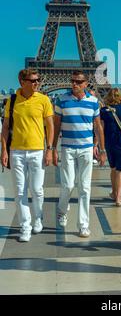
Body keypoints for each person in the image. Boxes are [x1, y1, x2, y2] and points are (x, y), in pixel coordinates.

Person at [0, 69, 54, 242]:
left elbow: (50, 126)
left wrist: (50, 149)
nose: (36, 83)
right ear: (22, 81)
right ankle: (25, 225)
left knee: (37, 190)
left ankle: (38, 217)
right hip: (17, 151)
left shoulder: (44, 99)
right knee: (19, 191)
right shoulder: (12, 100)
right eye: (33, 81)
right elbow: (6, 126)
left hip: (37, 150)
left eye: (38, 80)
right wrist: (4, 150)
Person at [53, 71, 106, 238]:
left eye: (78, 81)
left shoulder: (93, 102)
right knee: (67, 185)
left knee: (84, 188)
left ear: (86, 83)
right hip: (67, 147)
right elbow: (56, 126)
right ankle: (62, 210)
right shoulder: (62, 100)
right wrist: (52, 148)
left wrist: (102, 150)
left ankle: (83, 224)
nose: (74, 84)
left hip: (86, 148)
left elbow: (98, 127)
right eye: (73, 81)